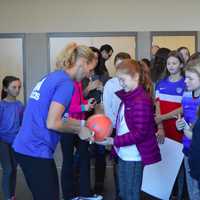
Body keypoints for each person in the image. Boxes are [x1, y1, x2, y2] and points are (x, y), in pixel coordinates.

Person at [12, 43, 97, 200]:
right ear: (81, 62)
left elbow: (57, 117)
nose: (89, 75)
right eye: (90, 69)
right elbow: (53, 123)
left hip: (23, 147)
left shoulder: (52, 76)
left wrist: (83, 125)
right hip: (35, 150)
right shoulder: (66, 84)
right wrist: (79, 129)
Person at [97, 59, 161, 200]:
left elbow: (140, 134)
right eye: (119, 80)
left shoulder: (141, 101)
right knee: (124, 193)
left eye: (123, 79)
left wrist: (114, 140)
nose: (121, 83)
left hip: (133, 156)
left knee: (131, 194)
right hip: (125, 153)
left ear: (136, 77)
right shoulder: (129, 97)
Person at [155, 51, 186, 200]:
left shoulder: (186, 83)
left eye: (174, 63)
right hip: (163, 131)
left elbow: (183, 108)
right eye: (169, 63)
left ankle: (179, 196)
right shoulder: (161, 83)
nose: (171, 66)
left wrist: (163, 117)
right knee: (165, 164)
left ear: (181, 64)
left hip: (179, 130)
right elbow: (157, 105)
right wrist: (160, 126)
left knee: (179, 166)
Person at [103, 52, 131, 200]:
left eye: (125, 64)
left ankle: (129, 192)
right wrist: (109, 132)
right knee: (117, 162)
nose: (121, 67)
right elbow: (108, 109)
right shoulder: (110, 84)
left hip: (130, 129)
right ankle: (120, 193)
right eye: (119, 64)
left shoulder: (134, 83)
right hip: (114, 129)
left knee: (129, 162)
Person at [176, 57, 200, 199]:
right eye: (185, 78)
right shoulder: (186, 95)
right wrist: (181, 124)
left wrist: (192, 134)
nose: (185, 81)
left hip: (197, 151)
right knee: (193, 191)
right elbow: (187, 119)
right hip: (188, 149)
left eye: (190, 78)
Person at [0, 76, 24, 200]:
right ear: (5, 88)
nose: (17, 90)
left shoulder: (19, 105)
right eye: (14, 87)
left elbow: (21, 123)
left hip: (15, 142)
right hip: (2, 142)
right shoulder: (1, 105)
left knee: (14, 169)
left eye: (19, 87)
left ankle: (12, 196)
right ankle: (7, 197)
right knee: (8, 170)